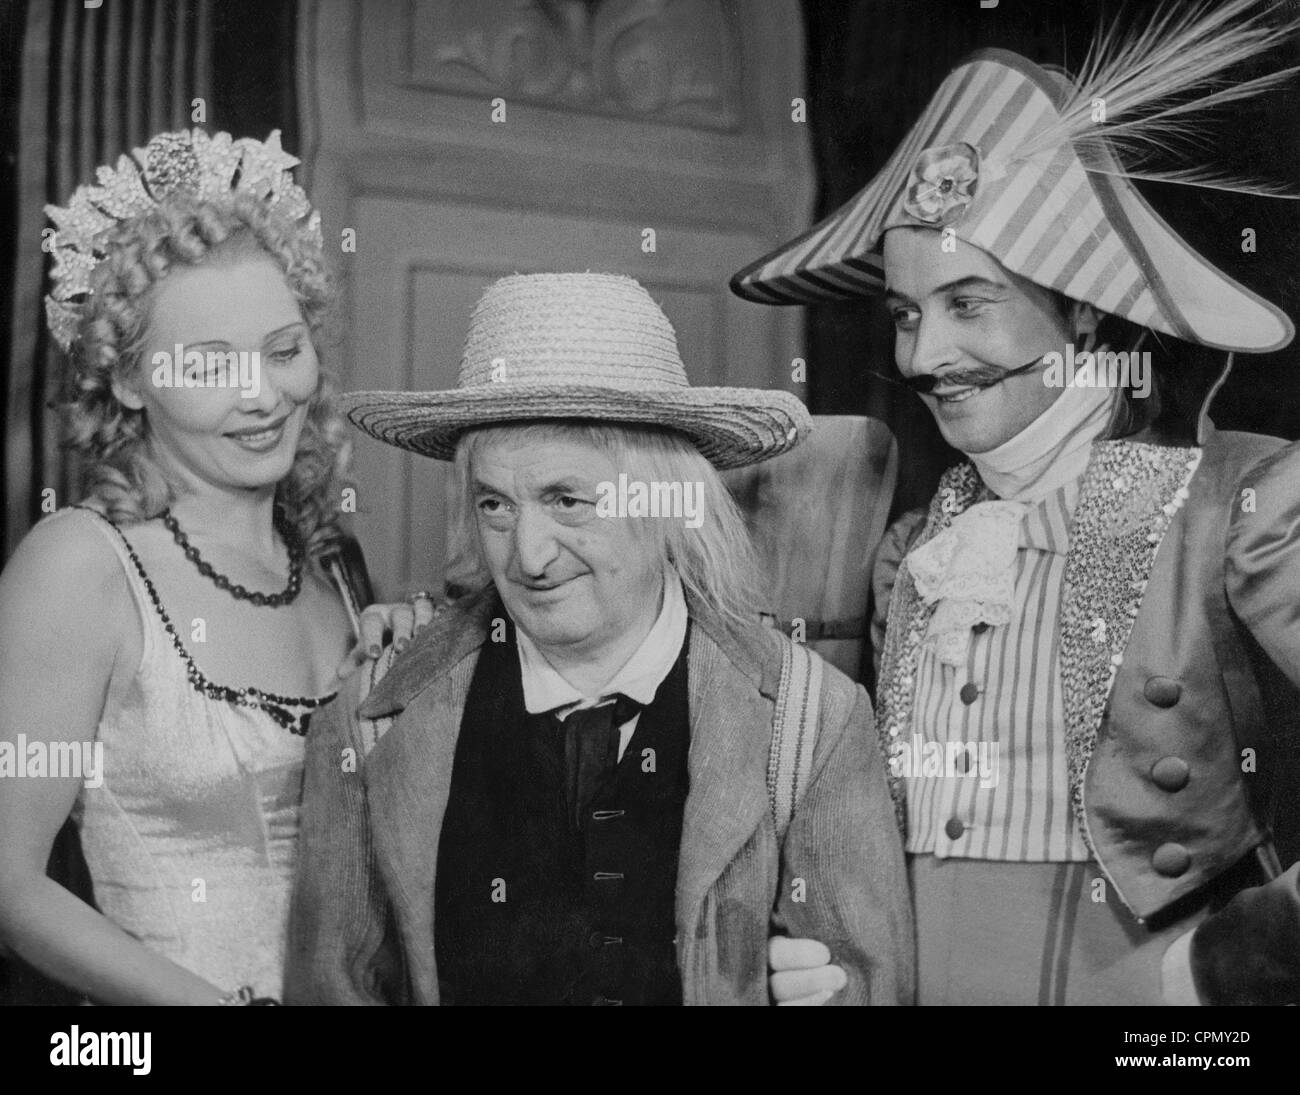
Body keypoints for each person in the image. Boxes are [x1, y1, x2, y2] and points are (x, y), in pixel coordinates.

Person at [729, 0, 1300, 1004]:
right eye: (906, 316)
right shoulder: (914, 540)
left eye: (967, 306)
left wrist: (1244, 962)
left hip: (1137, 988)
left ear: (1082, 312)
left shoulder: (1238, 499)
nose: (925, 357)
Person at [286, 272, 913, 1006]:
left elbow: (867, 988)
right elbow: (331, 986)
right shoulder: (373, 714)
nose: (528, 554)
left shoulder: (812, 722)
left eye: (566, 499)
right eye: (495, 504)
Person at [0, 128, 356, 1004]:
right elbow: (9, 885)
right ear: (126, 380)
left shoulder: (336, 570)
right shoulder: (80, 566)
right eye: (209, 365)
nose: (264, 396)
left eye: (283, 350)